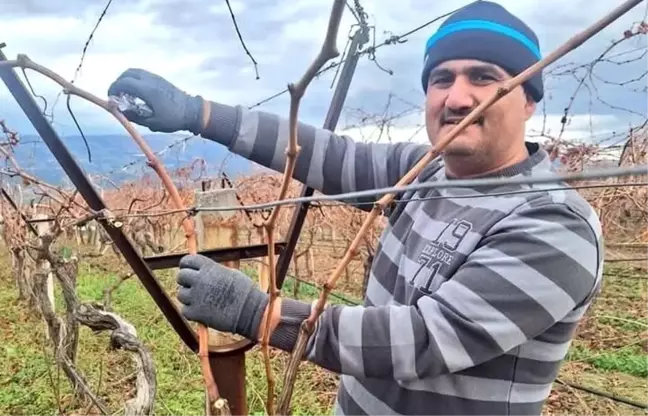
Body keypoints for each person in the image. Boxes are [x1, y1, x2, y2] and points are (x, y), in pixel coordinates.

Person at [108, 1, 604, 414]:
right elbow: (328, 154)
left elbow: (424, 339)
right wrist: (201, 113)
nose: (458, 97)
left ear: (528, 98)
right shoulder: (423, 173)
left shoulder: (554, 225)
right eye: (442, 78)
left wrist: (259, 314)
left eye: (484, 77)